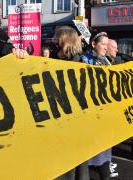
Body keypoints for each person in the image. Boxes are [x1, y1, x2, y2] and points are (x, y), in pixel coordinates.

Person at [53, 26, 89, 180]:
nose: (54, 40)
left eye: (57, 38)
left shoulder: (80, 64)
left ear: (65, 41)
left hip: (75, 126)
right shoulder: (54, 61)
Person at [81, 32, 118, 180]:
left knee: (104, 154)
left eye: (106, 44)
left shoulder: (108, 61)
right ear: (94, 45)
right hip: (92, 117)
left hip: (105, 116)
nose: (106, 47)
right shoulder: (85, 60)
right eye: (103, 44)